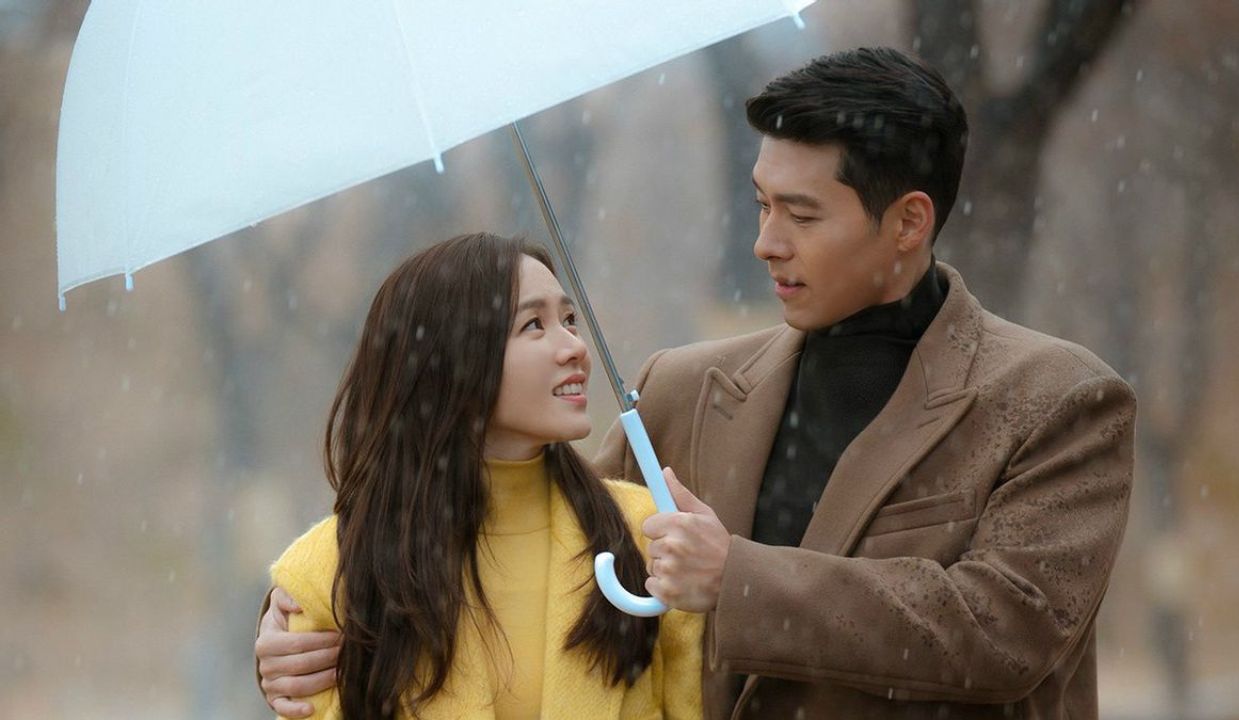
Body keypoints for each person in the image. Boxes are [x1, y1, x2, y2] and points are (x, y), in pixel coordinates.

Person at [259, 48, 1136, 720]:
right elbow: (520, 538)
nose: (765, 242)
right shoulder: (681, 390)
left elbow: (1004, 628)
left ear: (909, 222)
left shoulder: (1056, 401)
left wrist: (737, 580)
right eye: (760, 204)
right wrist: (305, 618)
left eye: (801, 214)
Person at [263, 232, 701, 719]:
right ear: (450, 359)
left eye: (569, 320)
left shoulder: (649, 533)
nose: (574, 347)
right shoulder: (331, 571)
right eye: (533, 325)